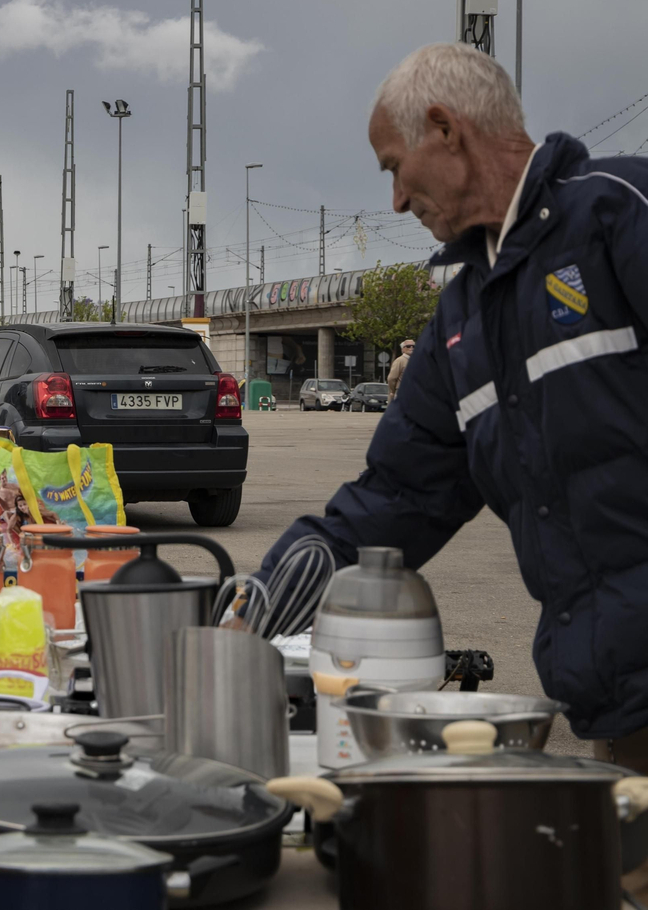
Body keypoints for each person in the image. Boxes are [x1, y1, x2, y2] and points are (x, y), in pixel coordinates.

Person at [258, 43, 648, 786]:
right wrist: (275, 587)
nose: (397, 201)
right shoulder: (463, 317)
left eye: (392, 167)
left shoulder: (618, 215)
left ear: (445, 129)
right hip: (621, 706)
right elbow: (402, 493)